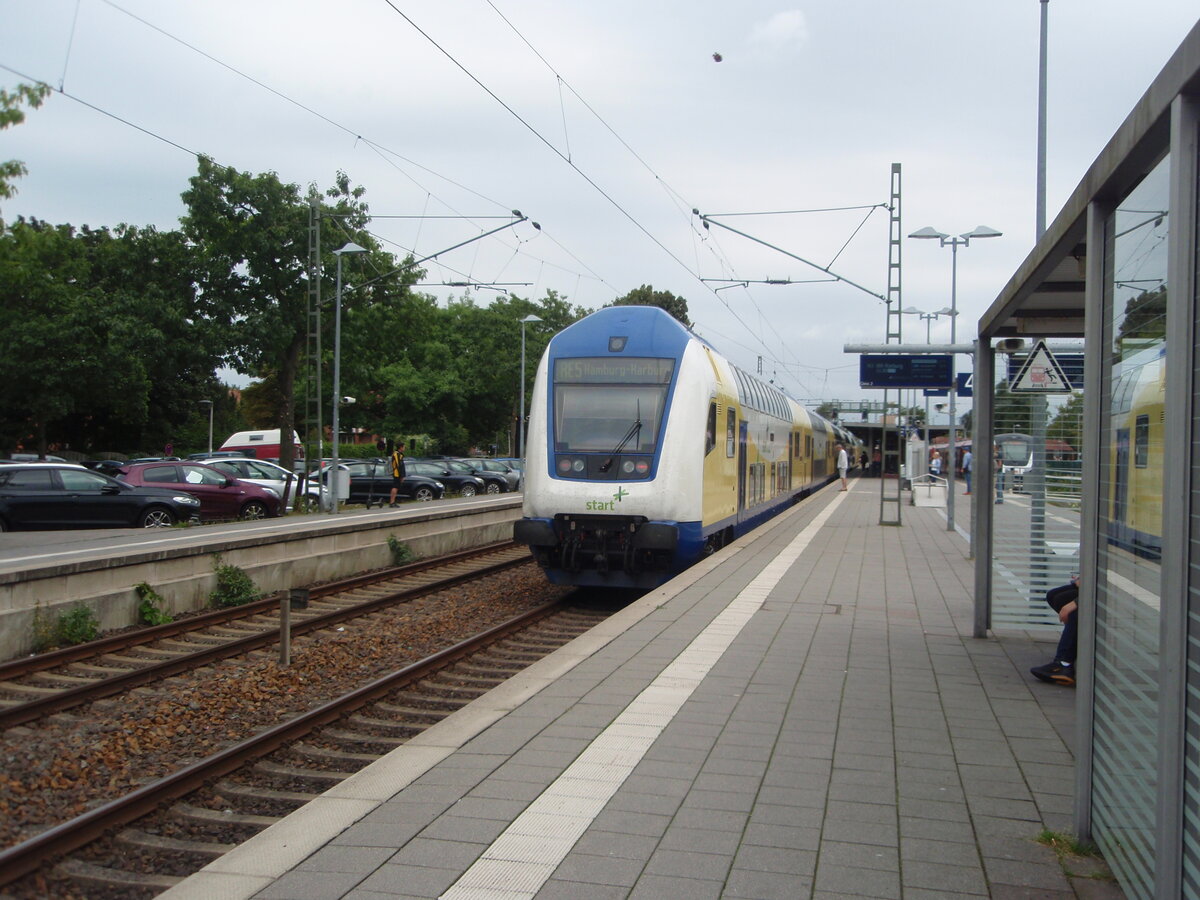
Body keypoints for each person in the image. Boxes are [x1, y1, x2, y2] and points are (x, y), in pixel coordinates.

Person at [1030, 574, 1080, 686]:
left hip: (1100, 593)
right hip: (1091, 587)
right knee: (1055, 596)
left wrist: (1075, 603)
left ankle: (1064, 663)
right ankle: (1072, 646)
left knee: (1074, 613)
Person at [387, 442, 407, 507]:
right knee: (395, 487)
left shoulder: (399, 454)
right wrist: (401, 475)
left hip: (398, 473)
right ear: (400, 447)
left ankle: (393, 501)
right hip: (396, 473)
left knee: (396, 487)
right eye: (404, 447)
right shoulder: (396, 454)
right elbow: (398, 466)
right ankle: (392, 502)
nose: (404, 448)